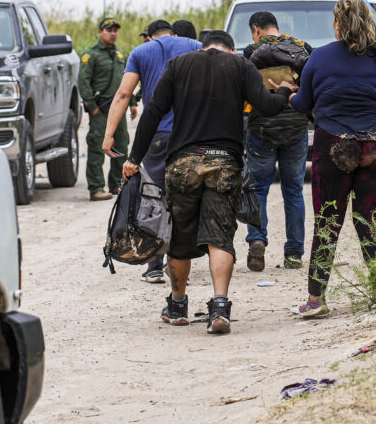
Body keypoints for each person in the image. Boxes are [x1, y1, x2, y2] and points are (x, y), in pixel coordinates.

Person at [124, 30, 293, 334]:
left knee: (181, 238)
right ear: (231, 49)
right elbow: (267, 106)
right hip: (224, 162)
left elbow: (152, 113)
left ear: (205, 47)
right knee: (219, 236)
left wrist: (134, 158)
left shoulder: (178, 65)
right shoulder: (241, 66)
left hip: (183, 163)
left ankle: (177, 305)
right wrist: (283, 91)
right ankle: (219, 306)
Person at [287, 0, 376, 318]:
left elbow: (304, 104)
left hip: (334, 144)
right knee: (371, 221)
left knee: (328, 221)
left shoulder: (321, 57)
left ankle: (315, 301)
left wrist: (290, 93)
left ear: (337, 24)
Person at [102, 19, 201, 283]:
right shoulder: (195, 46)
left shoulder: (141, 52)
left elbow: (124, 94)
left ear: (150, 37)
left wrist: (109, 135)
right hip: (190, 135)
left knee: (155, 198)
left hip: (156, 136)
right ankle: (179, 264)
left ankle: (154, 264)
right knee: (184, 198)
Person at [242, 11, 310, 272]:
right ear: (277, 28)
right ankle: (294, 253)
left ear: (257, 30)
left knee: (258, 188)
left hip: (261, 128)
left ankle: (257, 240)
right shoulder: (302, 48)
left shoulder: (250, 51)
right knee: (293, 191)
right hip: (295, 127)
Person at [78, 16, 134, 201]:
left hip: (118, 109)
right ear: (100, 32)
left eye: (115, 30)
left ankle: (117, 184)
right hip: (100, 110)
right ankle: (96, 188)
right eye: (109, 30)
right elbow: (83, 82)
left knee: (121, 146)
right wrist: (92, 108)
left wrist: (132, 103)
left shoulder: (120, 54)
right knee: (96, 147)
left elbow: (127, 80)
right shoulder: (91, 55)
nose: (113, 33)